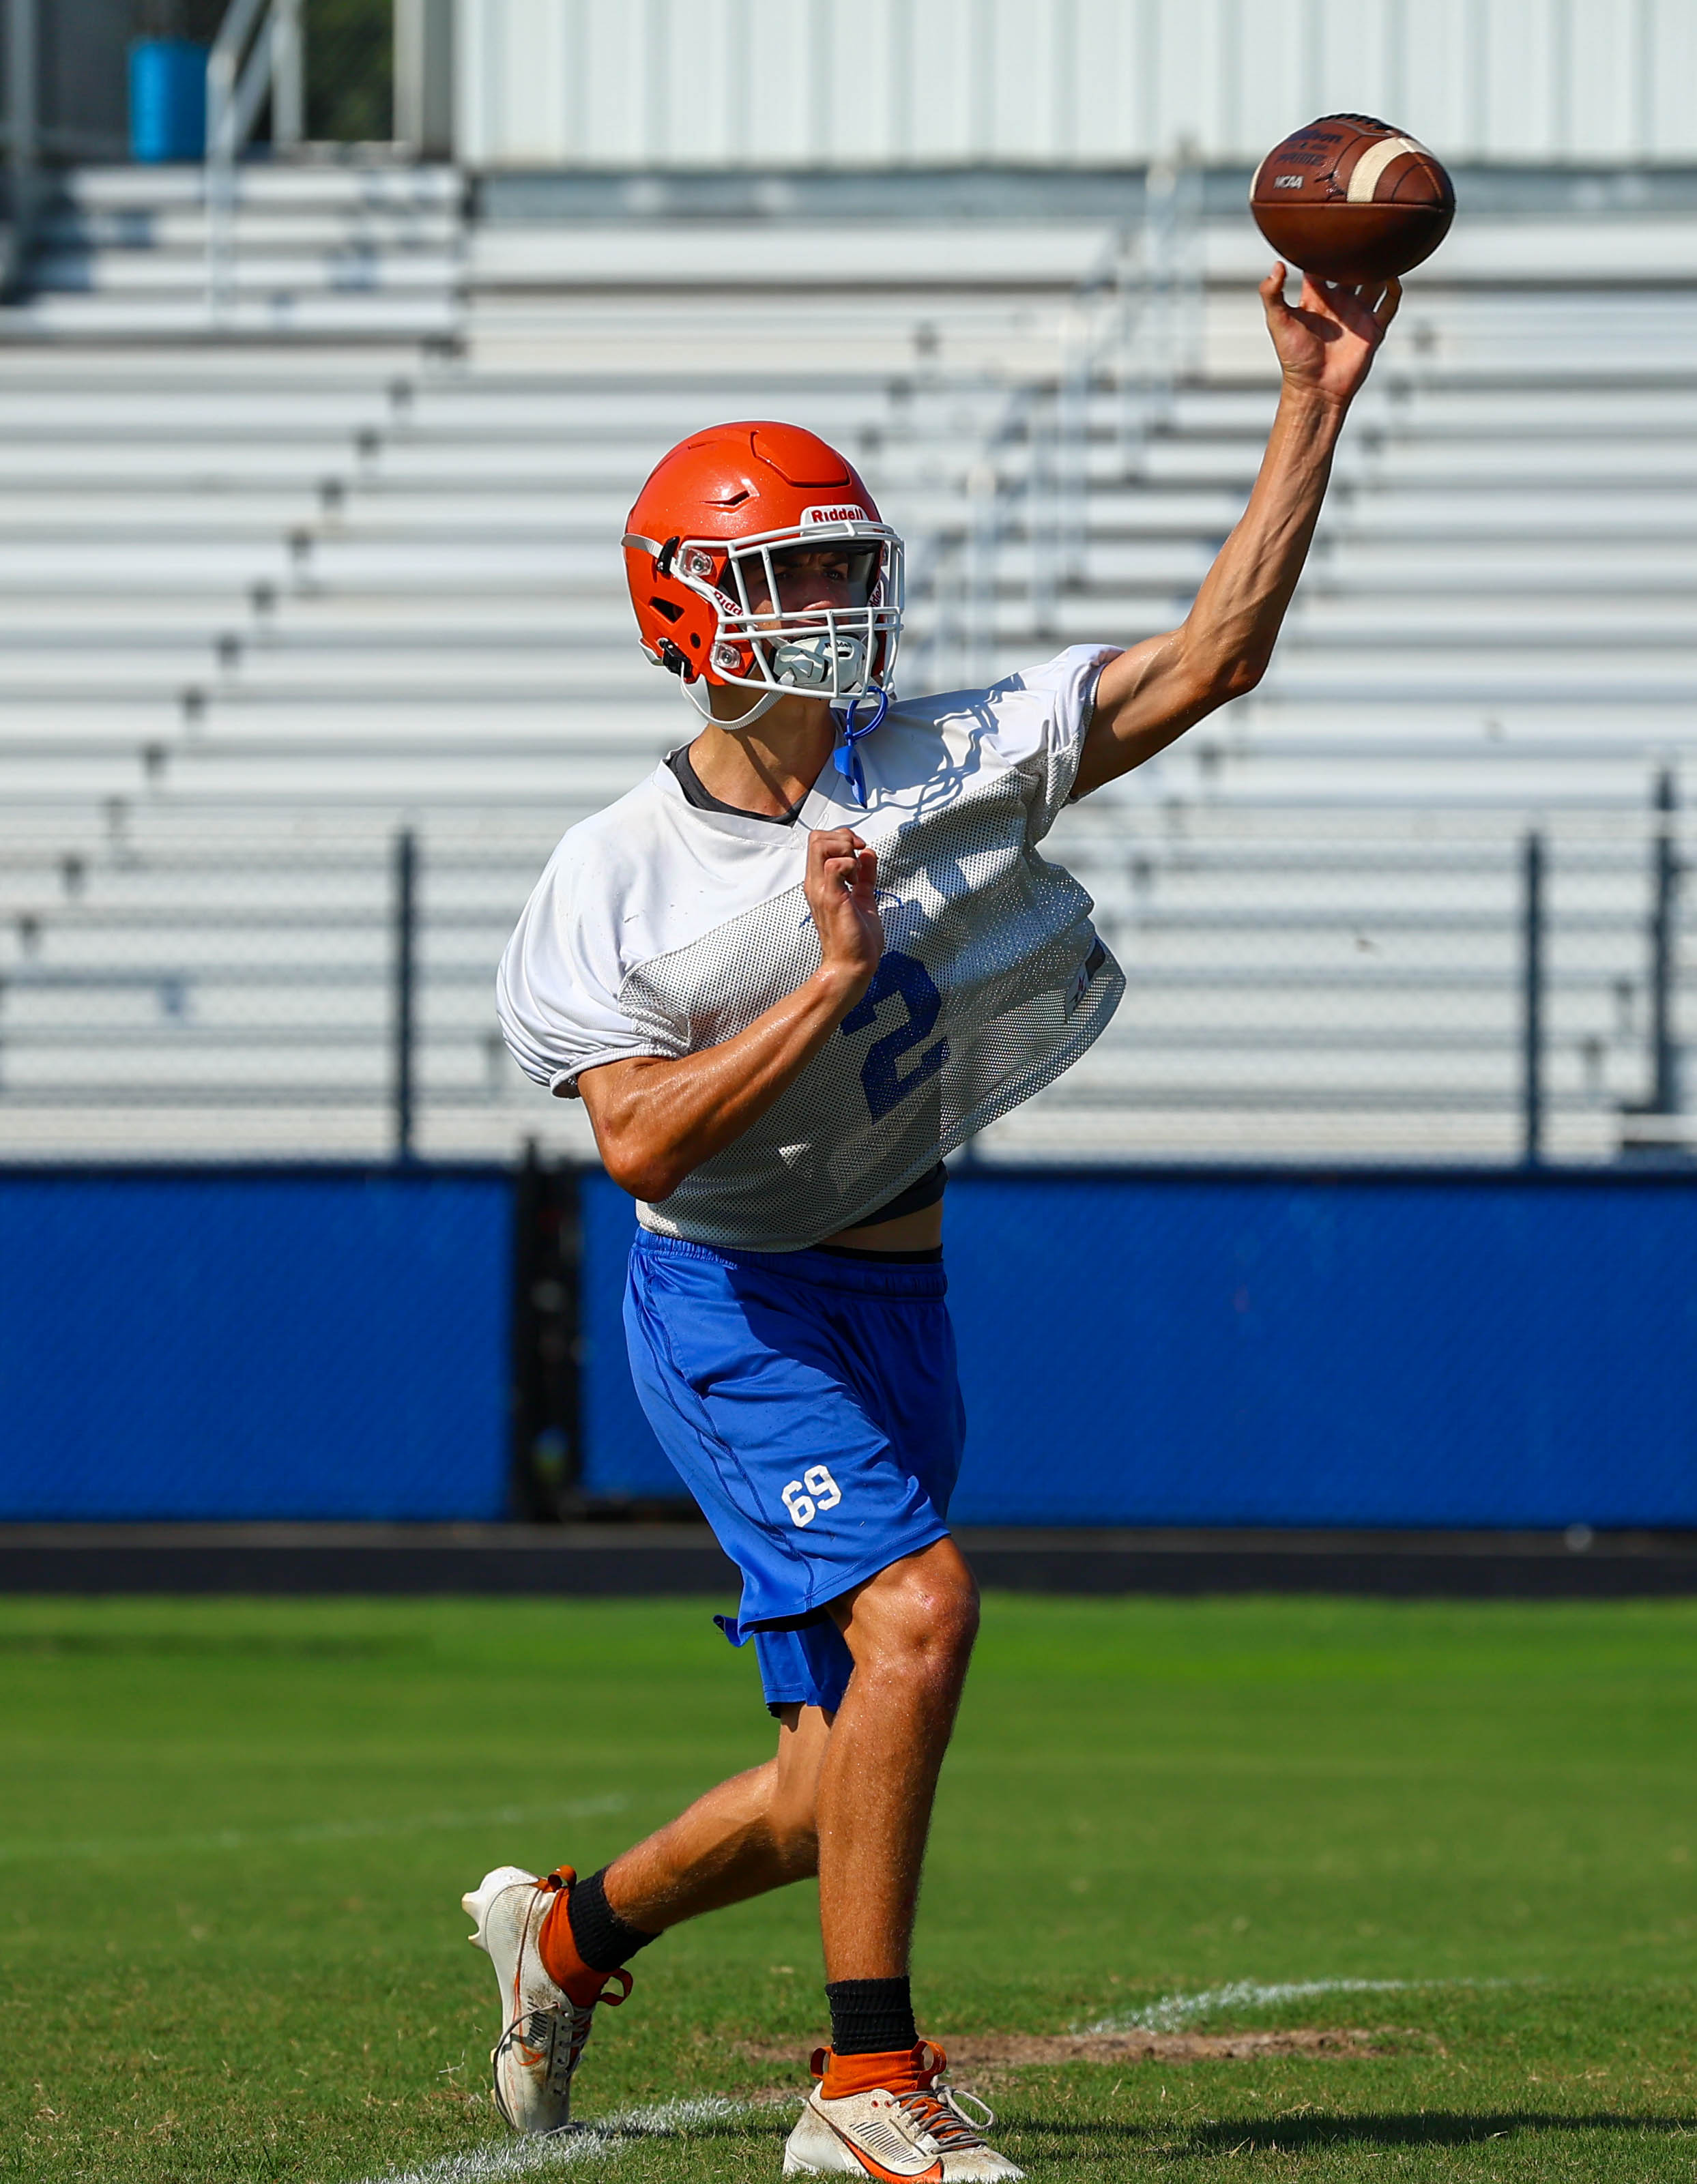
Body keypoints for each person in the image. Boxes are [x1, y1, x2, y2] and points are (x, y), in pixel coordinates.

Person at [474, 263, 1399, 2180]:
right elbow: (639, 1145)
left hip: (904, 1300)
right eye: (790, 575)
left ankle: (568, 1936)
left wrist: (1316, 397)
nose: (834, 602)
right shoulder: (615, 872)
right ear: (689, 612)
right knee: (926, 1610)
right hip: (736, 1306)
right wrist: (823, 985)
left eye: (845, 567)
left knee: (830, 1780)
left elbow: (1210, 658)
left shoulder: (929, 757)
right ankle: (864, 2081)